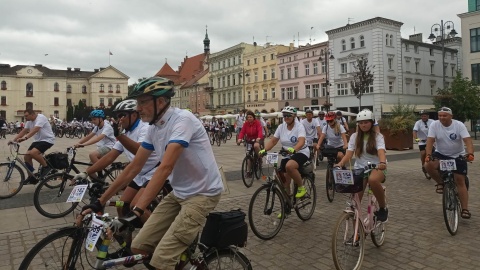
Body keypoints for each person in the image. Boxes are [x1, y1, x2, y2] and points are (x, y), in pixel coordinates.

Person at [82, 77, 223, 269]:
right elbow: (134, 167)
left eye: (143, 102)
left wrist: (138, 210)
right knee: (139, 247)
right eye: (138, 103)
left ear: (161, 102)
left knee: (160, 261)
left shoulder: (183, 120)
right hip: (180, 192)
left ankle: (172, 253)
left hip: (203, 193)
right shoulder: (153, 128)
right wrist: (100, 202)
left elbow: (165, 167)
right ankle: (181, 253)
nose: (138, 108)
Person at [75, 100, 161, 222]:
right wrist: (86, 172)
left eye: (122, 115)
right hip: (139, 173)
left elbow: (140, 151)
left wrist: (119, 136)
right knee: (121, 205)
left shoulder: (145, 128)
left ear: (134, 115)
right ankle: (125, 237)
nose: (119, 119)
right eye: (117, 116)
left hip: (154, 172)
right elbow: (109, 157)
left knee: (135, 207)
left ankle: (155, 232)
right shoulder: (126, 132)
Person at [335, 109, 388, 222]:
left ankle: (383, 208)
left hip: (376, 167)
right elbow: (349, 154)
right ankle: (357, 235)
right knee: (355, 203)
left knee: (373, 180)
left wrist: (382, 163)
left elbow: (381, 152)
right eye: (361, 122)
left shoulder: (378, 136)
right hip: (360, 168)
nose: (363, 125)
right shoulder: (354, 136)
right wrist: (340, 164)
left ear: (372, 122)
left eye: (366, 122)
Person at [424, 107, 474, 219]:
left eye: (444, 115)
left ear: (451, 116)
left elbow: (467, 140)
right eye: (440, 115)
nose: (442, 117)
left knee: (460, 181)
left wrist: (470, 153)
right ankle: (440, 183)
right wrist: (428, 155)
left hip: (457, 155)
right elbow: (430, 141)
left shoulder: (459, 125)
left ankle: (465, 209)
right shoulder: (435, 125)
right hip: (441, 154)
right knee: (428, 165)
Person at [259, 106, 309, 199]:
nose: (286, 118)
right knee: (284, 180)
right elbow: (273, 141)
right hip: (287, 153)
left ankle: (301, 187)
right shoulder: (281, 127)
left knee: (289, 166)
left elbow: (301, 141)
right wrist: (264, 150)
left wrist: (294, 149)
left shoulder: (299, 126)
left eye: (288, 116)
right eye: (284, 116)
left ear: (294, 116)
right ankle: (286, 206)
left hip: (301, 151)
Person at [10, 109, 55, 184]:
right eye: (25, 116)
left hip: (47, 140)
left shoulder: (41, 117)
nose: (25, 118)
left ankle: (47, 168)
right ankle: (31, 177)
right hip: (37, 141)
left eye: (26, 116)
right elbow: (24, 131)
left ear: (32, 114)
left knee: (33, 153)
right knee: (27, 157)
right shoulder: (29, 121)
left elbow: (35, 129)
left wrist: (25, 138)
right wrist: (14, 140)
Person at [237, 110, 264, 177]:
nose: (249, 118)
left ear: (253, 117)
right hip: (249, 140)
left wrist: (258, 138)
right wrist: (240, 138)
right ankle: (249, 171)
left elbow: (260, 131)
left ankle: (259, 157)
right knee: (248, 156)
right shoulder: (245, 124)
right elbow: (242, 132)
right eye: (248, 117)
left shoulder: (257, 123)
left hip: (257, 139)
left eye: (251, 117)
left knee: (256, 146)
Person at [413, 110, 435, 178]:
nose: (423, 117)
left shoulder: (432, 122)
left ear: (428, 116)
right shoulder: (418, 123)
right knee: (423, 153)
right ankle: (423, 165)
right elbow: (414, 131)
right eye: (422, 116)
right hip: (422, 141)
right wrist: (416, 139)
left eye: (425, 116)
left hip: (431, 141)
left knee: (432, 154)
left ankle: (433, 166)